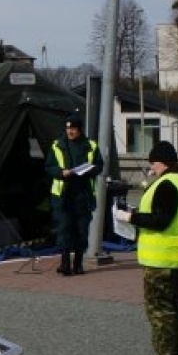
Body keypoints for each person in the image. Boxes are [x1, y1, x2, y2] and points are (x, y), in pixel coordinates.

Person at [113, 140, 178, 355]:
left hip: (161, 259)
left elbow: (160, 220)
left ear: (160, 162)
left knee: (159, 312)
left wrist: (130, 218)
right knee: (174, 309)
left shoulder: (167, 185)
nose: (151, 168)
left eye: (153, 163)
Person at [45, 115, 102, 276]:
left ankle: (78, 264)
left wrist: (88, 170)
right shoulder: (57, 145)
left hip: (83, 195)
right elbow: (49, 166)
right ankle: (65, 264)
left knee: (81, 230)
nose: (70, 132)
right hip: (63, 195)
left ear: (80, 130)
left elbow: (99, 166)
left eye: (73, 129)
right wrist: (61, 172)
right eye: (68, 129)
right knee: (64, 228)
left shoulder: (91, 145)